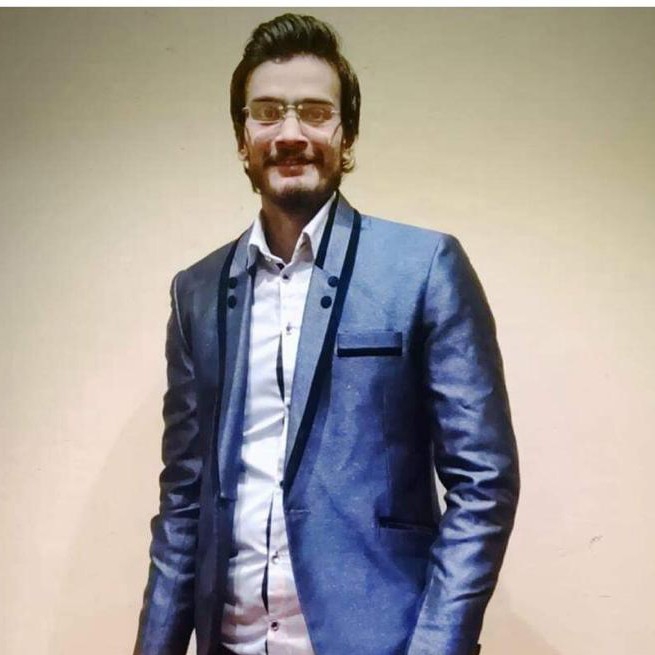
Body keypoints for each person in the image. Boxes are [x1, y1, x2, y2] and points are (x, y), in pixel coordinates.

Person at [134, 13, 519, 655]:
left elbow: (484, 482)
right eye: (267, 113)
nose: (290, 134)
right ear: (242, 137)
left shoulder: (424, 268)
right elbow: (183, 501)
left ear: (347, 136)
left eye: (315, 113)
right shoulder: (195, 291)